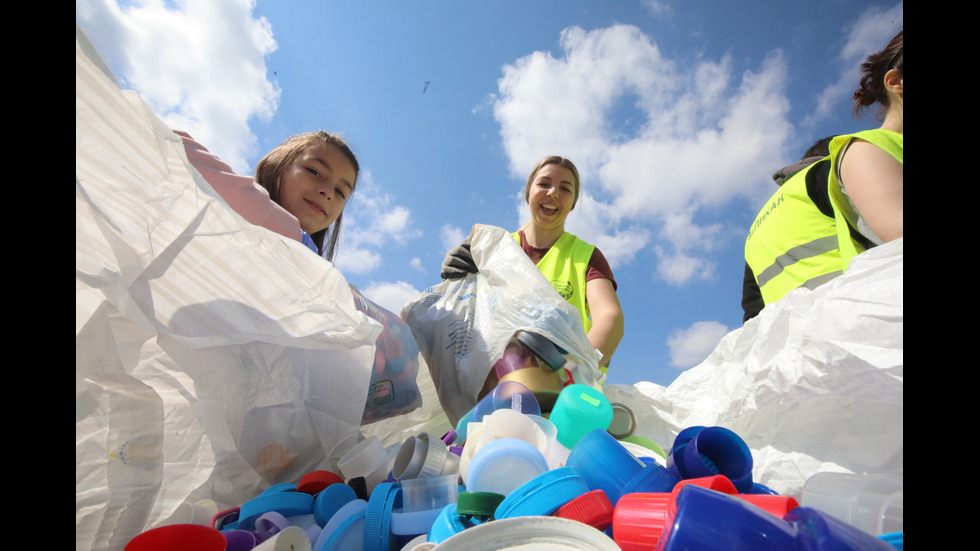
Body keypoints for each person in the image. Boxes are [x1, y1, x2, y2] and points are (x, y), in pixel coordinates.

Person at [742, 30, 903, 322]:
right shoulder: (862, 155)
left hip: (810, 350)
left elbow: (752, 317)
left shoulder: (759, 226)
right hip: (864, 330)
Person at [442, 156, 625, 372]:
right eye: (544, 184)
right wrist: (454, 281)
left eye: (565, 189)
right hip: (492, 384)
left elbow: (609, 317)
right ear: (528, 192)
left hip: (564, 394)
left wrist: (576, 369)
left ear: (573, 203)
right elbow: (465, 317)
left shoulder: (587, 256)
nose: (553, 192)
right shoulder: (493, 248)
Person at [178, 130, 359, 261]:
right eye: (314, 171)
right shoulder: (248, 205)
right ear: (277, 165)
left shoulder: (318, 283)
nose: (327, 192)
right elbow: (172, 144)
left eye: (340, 192)